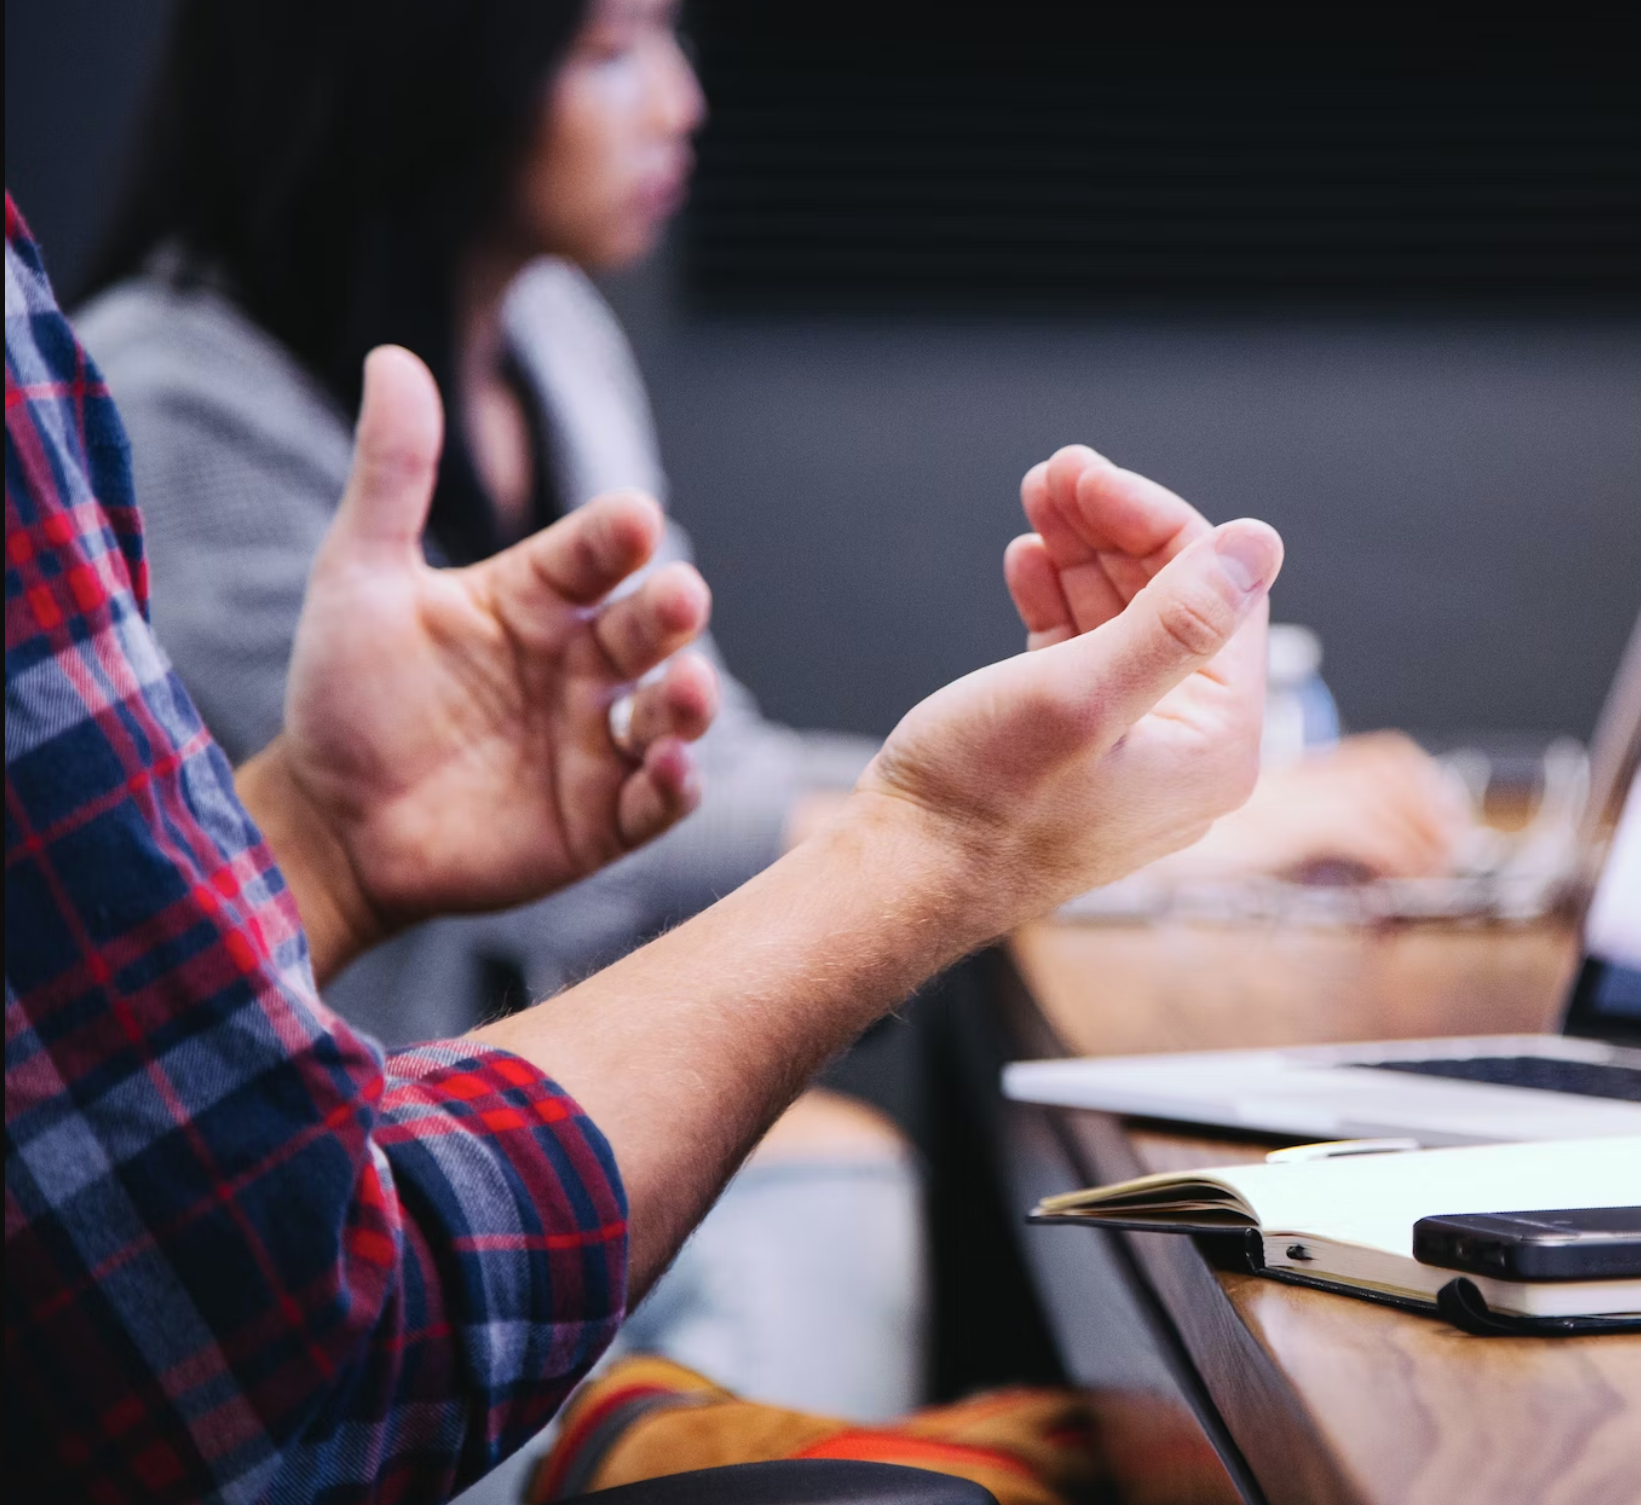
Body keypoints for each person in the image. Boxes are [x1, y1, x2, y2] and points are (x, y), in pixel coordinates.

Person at [6, 189, 1287, 1501]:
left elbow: (70, 1043)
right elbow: (280, 1338)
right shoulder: (164, 388)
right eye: (613, 46)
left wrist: (325, 848)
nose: (679, 97)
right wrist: (953, 841)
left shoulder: (553, 332)